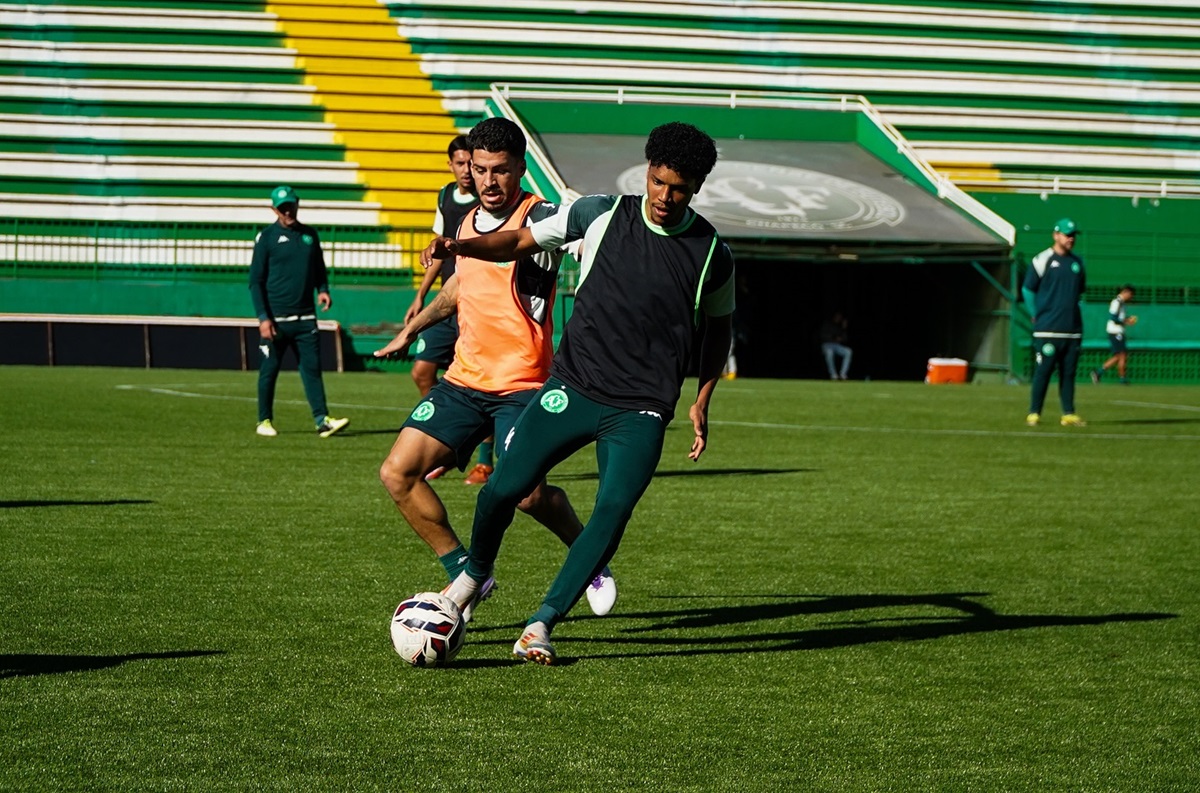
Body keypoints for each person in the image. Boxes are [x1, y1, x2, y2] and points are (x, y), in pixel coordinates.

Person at [433, 121, 736, 664]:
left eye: (680, 188)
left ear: (697, 187)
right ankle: (472, 579)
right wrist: (462, 244)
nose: (666, 196)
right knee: (503, 489)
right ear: (648, 170)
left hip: (641, 409)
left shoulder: (711, 253)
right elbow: (521, 240)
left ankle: (541, 623)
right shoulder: (597, 214)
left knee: (611, 512)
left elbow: (718, 331)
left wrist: (701, 399)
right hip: (572, 388)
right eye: (659, 181)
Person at [374, 117, 617, 620]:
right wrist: (412, 329)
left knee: (526, 496)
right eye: (479, 169)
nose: (487, 181)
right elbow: (460, 289)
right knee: (398, 473)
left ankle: (590, 556)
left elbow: (587, 236)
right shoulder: (465, 222)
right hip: (464, 381)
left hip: (524, 387)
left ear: (520, 169)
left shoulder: (542, 217)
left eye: (500, 171)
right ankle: (468, 572)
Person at [406, 136, 495, 483]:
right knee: (421, 372)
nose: (466, 171)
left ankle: (484, 461)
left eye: (469, 164)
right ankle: (449, 441)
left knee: (483, 382)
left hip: (475, 301)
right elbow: (439, 253)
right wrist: (420, 296)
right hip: (447, 301)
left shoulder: (488, 199)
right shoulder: (445, 197)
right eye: (459, 163)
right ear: (451, 164)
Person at [248, 185, 349, 438]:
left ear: (297, 204)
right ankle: (264, 420)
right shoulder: (266, 238)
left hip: (305, 319)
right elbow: (255, 281)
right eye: (282, 208)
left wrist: (322, 290)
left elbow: (319, 268)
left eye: (290, 206)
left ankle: (322, 420)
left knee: (312, 369)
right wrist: (263, 318)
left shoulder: (309, 236)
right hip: (276, 322)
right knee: (269, 370)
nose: (287, 211)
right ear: (274, 209)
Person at [1023, 217, 1087, 427]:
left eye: (1073, 235)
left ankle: (1068, 413)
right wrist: (1036, 314)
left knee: (1068, 373)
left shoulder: (1077, 263)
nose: (1070, 239)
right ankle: (1034, 412)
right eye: (1067, 235)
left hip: (1072, 330)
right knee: (1043, 372)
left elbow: (1079, 291)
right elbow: (1027, 289)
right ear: (1056, 235)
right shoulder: (1042, 260)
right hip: (1047, 330)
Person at [1091, 284, 1137, 385]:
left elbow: (1119, 317)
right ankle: (1122, 379)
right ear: (1126, 292)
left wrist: (1127, 319)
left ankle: (1098, 372)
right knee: (1122, 355)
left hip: (1118, 331)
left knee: (1118, 356)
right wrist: (1126, 321)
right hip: (1115, 331)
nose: (1131, 297)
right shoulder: (1117, 302)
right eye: (1130, 295)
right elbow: (1113, 318)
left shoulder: (1123, 303)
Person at [819, 312, 852, 380]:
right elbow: (822, 336)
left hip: (836, 346)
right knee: (829, 353)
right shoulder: (827, 324)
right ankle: (833, 374)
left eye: (840, 317)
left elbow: (845, 339)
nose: (838, 318)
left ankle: (843, 374)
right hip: (827, 345)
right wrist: (833, 337)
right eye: (837, 316)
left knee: (848, 352)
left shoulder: (840, 327)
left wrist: (844, 328)